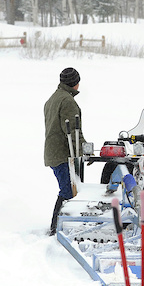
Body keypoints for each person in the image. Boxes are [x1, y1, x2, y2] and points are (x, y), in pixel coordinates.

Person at [44, 67, 85, 236]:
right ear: (75, 83)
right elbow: (73, 132)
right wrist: (83, 150)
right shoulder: (67, 102)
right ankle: (56, 228)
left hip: (54, 152)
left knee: (68, 190)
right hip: (62, 154)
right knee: (68, 191)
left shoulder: (53, 98)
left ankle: (60, 226)